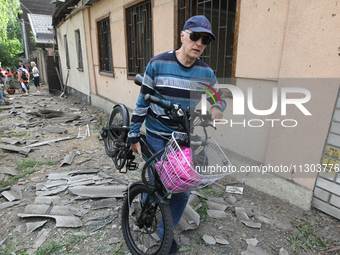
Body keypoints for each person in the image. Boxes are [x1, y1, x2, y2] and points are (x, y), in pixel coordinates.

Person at [128, 15, 226, 254]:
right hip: (156, 135)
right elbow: (142, 101)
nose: (199, 43)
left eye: (205, 40)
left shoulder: (205, 72)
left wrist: (216, 109)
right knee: (155, 182)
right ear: (183, 35)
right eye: (195, 36)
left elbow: (219, 99)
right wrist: (133, 134)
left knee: (183, 188)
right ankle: (146, 207)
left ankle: (164, 232)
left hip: (183, 140)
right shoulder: (159, 63)